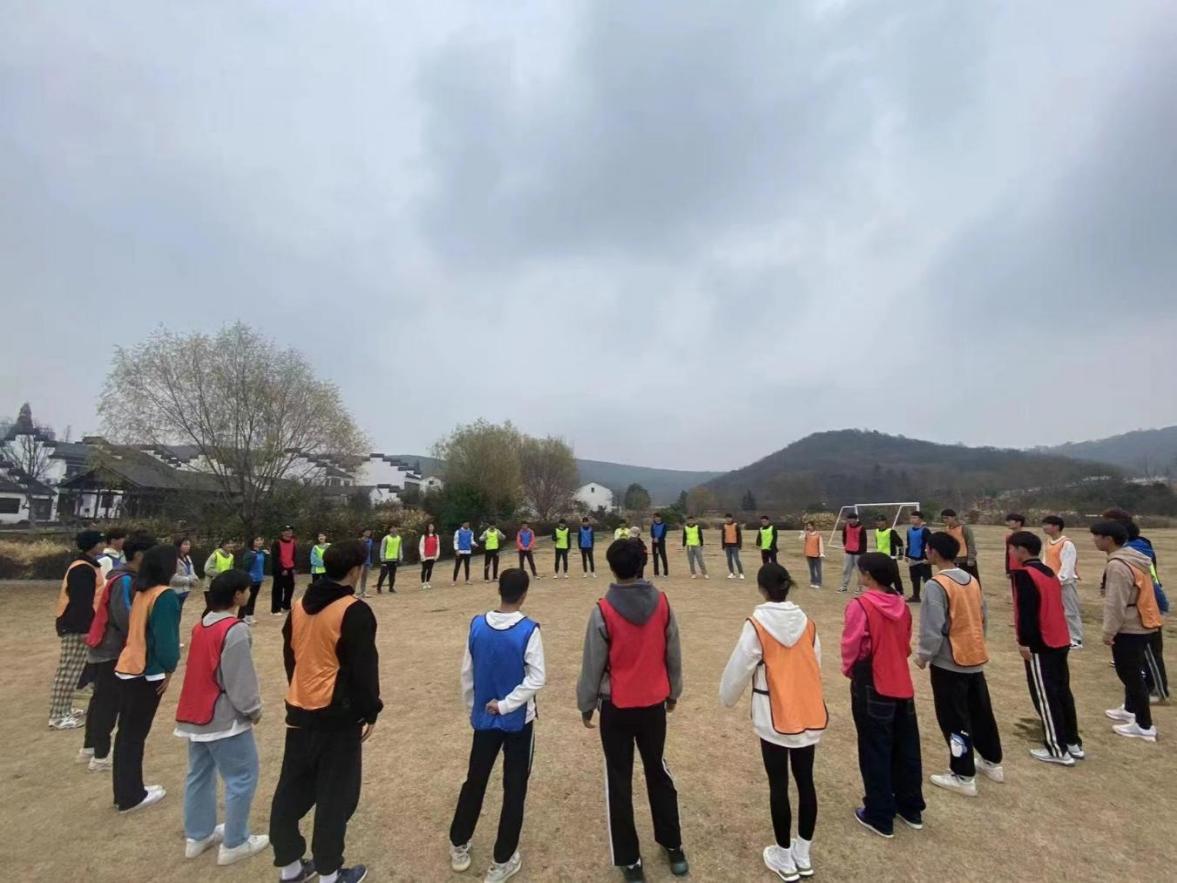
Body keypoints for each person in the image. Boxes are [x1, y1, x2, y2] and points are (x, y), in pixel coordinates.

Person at [270, 540, 381, 883]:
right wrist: (369, 711)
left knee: (291, 789)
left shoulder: (299, 605)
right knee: (336, 796)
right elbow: (364, 668)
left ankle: (290, 867)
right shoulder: (353, 610)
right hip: (337, 716)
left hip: (300, 709)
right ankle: (330, 873)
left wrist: (301, 690)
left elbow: (291, 656)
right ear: (354, 571)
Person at [577, 540, 688, 882]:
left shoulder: (603, 609)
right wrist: (673, 692)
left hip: (617, 707)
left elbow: (593, 663)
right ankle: (673, 846)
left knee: (619, 779)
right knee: (658, 771)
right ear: (642, 565)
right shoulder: (663, 603)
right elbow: (673, 652)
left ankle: (630, 861)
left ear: (612, 568)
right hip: (653, 705)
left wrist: (586, 704)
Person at [720, 563, 825, 880]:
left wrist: (727, 697)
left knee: (778, 785)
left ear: (761, 589)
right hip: (807, 711)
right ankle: (802, 853)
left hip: (773, 714)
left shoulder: (757, 625)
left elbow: (740, 665)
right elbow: (815, 663)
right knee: (805, 782)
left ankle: (784, 855)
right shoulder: (807, 623)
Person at [449, 569, 546, 883]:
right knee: (514, 787)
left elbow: (467, 673)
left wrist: (474, 709)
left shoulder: (477, 625)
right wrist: (506, 705)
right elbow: (537, 678)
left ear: (499, 590)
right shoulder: (528, 630)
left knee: (475, 780)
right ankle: (502, 860)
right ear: (524, 593)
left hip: (485, 718)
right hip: (518, 721)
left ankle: (459, 842)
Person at [174, 569, 268, 866]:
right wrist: (253, 709)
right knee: (242, 776)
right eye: (246, 590)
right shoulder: (234, 629)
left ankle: (198, 835)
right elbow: (239, 678)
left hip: (194, 714)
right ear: (238, 595)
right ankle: (235, 842)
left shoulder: (201, 625)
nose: (249, 593)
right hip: (222, 717)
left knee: (199, 774)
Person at [841, 552, 925, 839]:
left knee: (875, 748)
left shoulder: (861, 605)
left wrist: (851, 670)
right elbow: (905, 642)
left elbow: (852, 645)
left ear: (868, 576)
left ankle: (879, 814)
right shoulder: (902, 604)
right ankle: (910, 806)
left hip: (873, 681)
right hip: (900, 681)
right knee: (906, 747)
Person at [917, 532, 1004, 798]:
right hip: (973, 655)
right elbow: (983, 616)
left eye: (928, 549)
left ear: (933, 552)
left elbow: (933, 625)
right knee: (981, 713)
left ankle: (963, 775)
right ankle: (992, 761)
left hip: (950, 662)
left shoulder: (937, 584)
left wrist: (924, 655)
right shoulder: (970, 579)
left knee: (954, 718)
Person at [113, 543, 181, 813]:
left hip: (129, 666)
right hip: (147, 671)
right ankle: (131, 796)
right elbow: (166, 640)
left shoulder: (143, 591)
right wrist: (169, 668)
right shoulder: (165, 596)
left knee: (127, 734)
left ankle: (125, 791)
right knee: (134, 735)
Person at [1007, 531, 1083, 765]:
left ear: (1021, 550)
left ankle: (1057, 748)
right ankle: (1072, 741)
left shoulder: (1024, 575)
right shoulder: (1048, 571)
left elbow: (1026, 611)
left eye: (1012, 548)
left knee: (1045, 695)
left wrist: (1024, 642)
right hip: (1060, 638)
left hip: (1042, 642)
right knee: (1061, 692)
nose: (1010, 553)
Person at [81, 534, 151, 770]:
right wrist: (141, 638)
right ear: (139, 555)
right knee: (108, 702)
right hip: (111, 648)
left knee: (101, 699)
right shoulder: (124, 580)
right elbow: (125, 616)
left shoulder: (122, 576)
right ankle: (100, 755)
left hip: (108, 646)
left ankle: (90, 747)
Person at [1092, 520, 1160, 742]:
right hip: (1142, 621)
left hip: (1131, 626)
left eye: (1097, 536)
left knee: (1130, 675)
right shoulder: (1133, 558)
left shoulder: (1118, 565)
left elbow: (1116, 603)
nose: (1094, 540)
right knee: (1133, 673)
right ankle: (1131, 710)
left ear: (1109, 539)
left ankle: (1144, 725)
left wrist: (1108, 632)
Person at [1101, 508, 1169, 704]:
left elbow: (1150, 581)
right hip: (1139, 605)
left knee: (1151, 651)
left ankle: (1159, 690)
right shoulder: (1123, 551)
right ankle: (1143, 691)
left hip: (1147, 606)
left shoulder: (1138, 549)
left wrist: (1159, 604)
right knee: (1139, 656)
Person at [49, 530, 104, 730]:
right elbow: (81, 603)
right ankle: (57, 716)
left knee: (75, 669)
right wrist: (84, 629)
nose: (102, 545)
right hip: (75, 626)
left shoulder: (87, 566)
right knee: (68, 671)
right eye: (99, 542)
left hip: (78, 624)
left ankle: (65, 709)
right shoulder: (82, 569)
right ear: (92, 545)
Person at [1042, 516, 1083, 648]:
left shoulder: (1067, 544)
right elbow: (1045, 561)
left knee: (1070, 611)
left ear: (1057, 527)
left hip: (1065, 583)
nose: (1044, 527)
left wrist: (1059, 580)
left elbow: (1067, 566)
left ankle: (1076, 639)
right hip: (1051, 582)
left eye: (1047, 524)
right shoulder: (1048, 542)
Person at [939, 510, 978, 579]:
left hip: (965, 560)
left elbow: (970, 544)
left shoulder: (964, 528)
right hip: (953, 560)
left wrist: (971, 559)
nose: (945, 520)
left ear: (954, 517)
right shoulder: (947, 529)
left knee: (971, 580)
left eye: (947, 518)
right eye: (943, 518)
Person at [905, 512, 933, 605]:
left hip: (923, 559)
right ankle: (916, 596)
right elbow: (909, 543)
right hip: (912, 558)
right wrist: (906, 555)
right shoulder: (909, 530)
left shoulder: (925, 531)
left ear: (920, 519)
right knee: (914, 579)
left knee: (927, 579)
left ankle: (931, 597)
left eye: (915, 518)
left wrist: (928, 557)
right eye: (911, 518)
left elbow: (930, 544)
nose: (912, 519)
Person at [239, 536, 268, 623]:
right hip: (250, 579)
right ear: (252, 541)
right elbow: (245, 567)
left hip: (258, 579)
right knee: (246, 598)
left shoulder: (261, 553)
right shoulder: (250, 554)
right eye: (257, 540)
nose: (260, 541)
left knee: (253, 598)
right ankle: (241, 617)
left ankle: (249, 615)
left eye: (261, 539)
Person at [873, 517, 905, 595]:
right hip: (880, 558)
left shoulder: (891, 532)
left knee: (895, 576)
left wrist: (901, 554)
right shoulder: (876, 531)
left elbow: (900, 543)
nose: (878, 523)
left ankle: (900, 592)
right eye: (877, 521)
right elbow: (878, 543)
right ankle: (883, 591)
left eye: (880, 521)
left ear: (885, 522)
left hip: (890, 558)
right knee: (881, 576)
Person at [172, 537, 201, 621]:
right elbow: (173, 578)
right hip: (175, 592)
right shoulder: (173, 559)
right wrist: (189, 579)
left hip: (185, 591)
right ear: (178, 545)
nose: (188, 546)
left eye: (189, 544)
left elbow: (192, 571)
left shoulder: (187, 558)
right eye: (185, 544)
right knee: (174, 615)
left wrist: (195, 578)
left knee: (178, 614)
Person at [838, 512, 867, 594]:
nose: (849, 520)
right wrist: (846, 545)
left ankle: (859, 588)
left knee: (859, 571)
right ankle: (844, 586)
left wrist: (862, 552)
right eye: (848, 519)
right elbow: (844, 537)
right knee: (846, 570)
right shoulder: (846, 527)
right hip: (848, 552)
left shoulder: (861, 528)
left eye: (851, 519)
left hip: (858, 553)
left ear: (855, 519)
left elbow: (864, 541)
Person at [271, 526, 298, 615]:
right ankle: (275, 609)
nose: (289, 532)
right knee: (278, 589)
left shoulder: (293, 542)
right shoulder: (277, 543)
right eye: (287, 531)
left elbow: (294, 556)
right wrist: (282, 569)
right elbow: (275, 558)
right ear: (282, 533)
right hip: (280, 569)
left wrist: (294, 567)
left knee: (290, 588)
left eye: (290, 530)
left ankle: (286, 605)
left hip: (290, 568)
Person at [377, 526, 404, 593]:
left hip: (394, 559)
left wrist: (400, 557)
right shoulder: (386, 538)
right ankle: (379, 587)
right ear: (389, 530)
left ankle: (391, 588)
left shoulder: (399, 538)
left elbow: (400, 548)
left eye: (395, 528)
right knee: (383, 574)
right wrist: (382, 558)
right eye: (392, 528)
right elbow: (382, 548)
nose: (394, 529)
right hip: (386, 559)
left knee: (392, 575)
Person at [682, 515, 708, 580]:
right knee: (691, 561)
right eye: (689, 520)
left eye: (692, 520)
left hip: (697, 545)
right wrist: (683, 545)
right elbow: (684, 537)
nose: (690, 521)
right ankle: (693, 573)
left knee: (700, 560)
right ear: (687, 521)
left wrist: (702, 544)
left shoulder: (697, 527)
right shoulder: (685, 528)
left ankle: (705, 573)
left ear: (694, 521)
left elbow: (700, 536)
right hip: (689, 546)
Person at [1004, 513, 1027, 584]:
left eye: (1010, 521)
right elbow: (1008, 554)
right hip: (1012, 569)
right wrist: (1008, 570)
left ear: (1018, 523)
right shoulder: (1009, 537)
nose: (1007, 523)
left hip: (1024, 569)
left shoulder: (1026, 537)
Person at [721, 514, 745, 580]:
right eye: (727, 518)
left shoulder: (736, 525)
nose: (728, 519)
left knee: (736, 559)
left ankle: (741, 573)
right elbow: (723, 536)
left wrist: (739, 545)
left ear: (731, 518)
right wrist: (723, 545)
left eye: (729, 518)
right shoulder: (724, 526)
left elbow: (739, 536)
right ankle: (732, 573)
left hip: (735, 545)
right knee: (729, 559)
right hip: (727, 545)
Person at [800, 522, 824, 589]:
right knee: (811, 569)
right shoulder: (807, 534)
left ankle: (818, 583)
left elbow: (821, 544)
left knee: (818, 570)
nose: (809, 527)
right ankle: (813, 582)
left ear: (813, 526)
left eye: (810, 526)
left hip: (816, 555)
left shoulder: (818, 534)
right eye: (808, 526)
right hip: (808, 554)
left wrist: (821, 553)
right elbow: (800, 539)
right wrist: (803, 532)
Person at [420, 523, 440, 590]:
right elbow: (421, 546)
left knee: (430, 570)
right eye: (430, 527)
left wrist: (437, 555)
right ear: (427, 528)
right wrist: (422, 556)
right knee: (424, 570)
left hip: (432, 556)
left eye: (432, 527)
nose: (431, 528)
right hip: (425, 556)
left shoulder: (436, 536)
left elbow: (438, 546)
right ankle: (423, 583)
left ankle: (427, 582)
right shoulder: (424, 536)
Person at [358, 529, 375, 598]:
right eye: (367, 532)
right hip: (360, 562)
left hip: (367, 562)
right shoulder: (359, 541)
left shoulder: (371, 541)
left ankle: (363, 592)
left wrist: (371, 562)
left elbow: (372, 551)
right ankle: (353, 592)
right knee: (357, 577)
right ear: (363, 533)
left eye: (369, 532)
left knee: (364, 577)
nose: (368, 533)